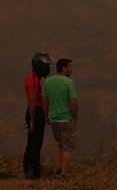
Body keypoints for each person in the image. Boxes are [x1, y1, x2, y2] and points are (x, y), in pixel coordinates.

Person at [42, 58, 78, 180]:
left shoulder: (47, 82)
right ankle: (64, 174)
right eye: (70, 67)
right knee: (68, 147)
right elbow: (73, 102)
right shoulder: (69, 82)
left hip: (53, 119)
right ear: (64, 69)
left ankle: (58, 169)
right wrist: (75, 117)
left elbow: (45, 101)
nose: (71, 69)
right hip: (66, 119)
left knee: (59, 144)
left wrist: (46, 115)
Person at [23, 51, 53, 179]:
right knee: (35, 143)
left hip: (34, 111)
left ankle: (30, 168)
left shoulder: (34, 78)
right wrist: (32, 119)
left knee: (34, 142)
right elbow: (33, 99)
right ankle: (32, 170)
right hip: (36, 111)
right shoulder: (33, 79)